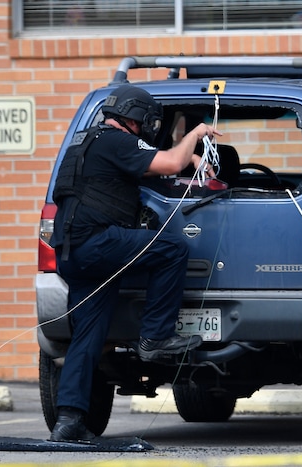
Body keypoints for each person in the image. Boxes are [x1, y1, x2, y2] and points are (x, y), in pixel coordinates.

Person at [48, 84, 220, 443]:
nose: (148, 130)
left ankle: (69, 420)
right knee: (171, 249)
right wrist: (197, 133)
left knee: (86, 338)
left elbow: (152, 166)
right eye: (148, 123)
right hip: (98, 244)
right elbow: (169, 162)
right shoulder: (119, 141)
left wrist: (188, 159)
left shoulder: (86, 141)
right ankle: (155, 337)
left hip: (71, 253)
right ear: (136, 117)